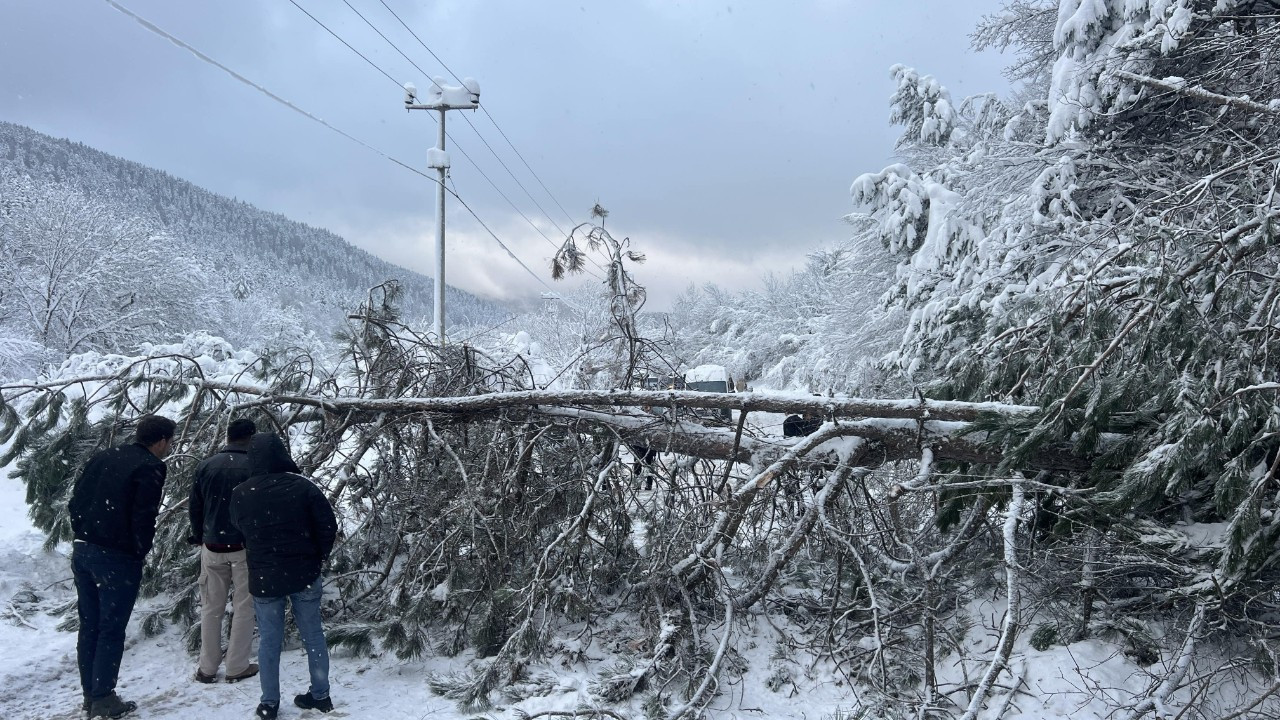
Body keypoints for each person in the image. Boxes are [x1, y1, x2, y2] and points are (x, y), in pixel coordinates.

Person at [68, 414, 176, 719]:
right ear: (161, 441)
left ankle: (91, 695)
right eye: (171, 441)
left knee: (90, 625)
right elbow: (144, 516)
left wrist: (82, 531)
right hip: (116, 557)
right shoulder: (151, 467)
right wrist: (138, 551)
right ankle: (103, 697)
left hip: (83, 549)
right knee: (111, 629)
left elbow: (76, 501)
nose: (170, 447)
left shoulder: (104, 456)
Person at [230, 432, 338, 720]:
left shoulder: (241, 493)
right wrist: (318, 555)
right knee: (313, 635)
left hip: (265, 577)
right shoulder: (303, 487)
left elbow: (238, 527)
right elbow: (328, 525)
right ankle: (320, 695)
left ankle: (269, 703)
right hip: (304, 572)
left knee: (269, 641)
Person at [188, 417, 258, 684]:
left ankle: (207, 667)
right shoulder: (254, 466)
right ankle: (236, 666)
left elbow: (195, 506)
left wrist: (198, 535)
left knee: (211, 607)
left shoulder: (206, 465)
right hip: (243, 546)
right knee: (244, 606)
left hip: (212, 545)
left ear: (227, 437)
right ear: (251, 438)